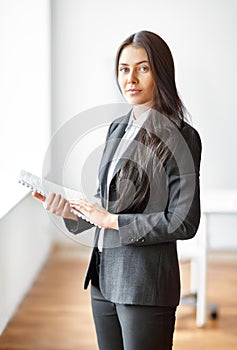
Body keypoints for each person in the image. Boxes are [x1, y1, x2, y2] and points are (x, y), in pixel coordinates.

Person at [34, 30, 202, 350]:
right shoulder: (118, 127)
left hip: (144, 285)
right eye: (124, 69)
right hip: (103, 277)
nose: (131, 78)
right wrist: (71, 212)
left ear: (161, 72)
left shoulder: (181, 136)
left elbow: (184, 221)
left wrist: (114, 221)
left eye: (143, 68)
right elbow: (109, 204)